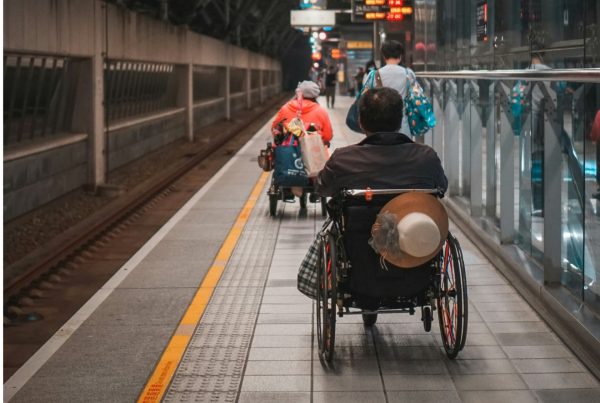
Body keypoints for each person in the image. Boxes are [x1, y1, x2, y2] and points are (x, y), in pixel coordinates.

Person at [317, 87, 447, 197]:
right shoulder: (426, 157)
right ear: (401, 120)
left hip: (358, 226)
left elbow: (322, 188)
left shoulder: (342, 160)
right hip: (412, 225)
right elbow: (442, 187)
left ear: (361, 123)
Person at [366, 40, 417, 136]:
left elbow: (365, 98)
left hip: (379, 126)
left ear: (384, 56)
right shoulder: (408, 74)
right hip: (403, 125)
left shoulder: (374, 75)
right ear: (400, 56)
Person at [271, 80, 333, 146]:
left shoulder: (285, 108)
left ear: (299, 93)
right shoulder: (321, 111)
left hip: (287, 152)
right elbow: (328, 136)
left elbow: (274, 128)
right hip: (312, 152)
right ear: (316, 96)